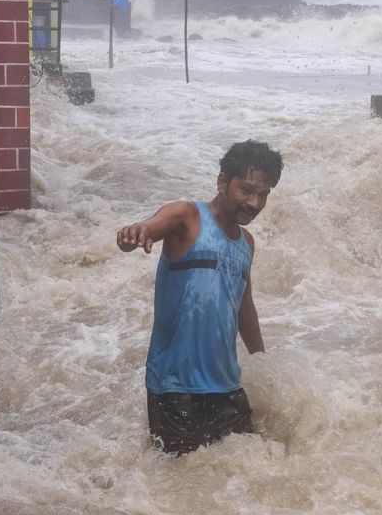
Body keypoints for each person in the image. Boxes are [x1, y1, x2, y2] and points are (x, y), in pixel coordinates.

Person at [116, 141, 281, 455]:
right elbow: (150, 227)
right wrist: (135, 233)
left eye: (263, 194)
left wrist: (263, 364)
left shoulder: (247, 242)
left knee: (251, 472)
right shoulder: (188, 217)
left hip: (227, 386)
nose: (254, 202)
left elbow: (244, 309)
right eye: (246, 190)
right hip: (176, 387)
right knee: (180, 485)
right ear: (222, 182)